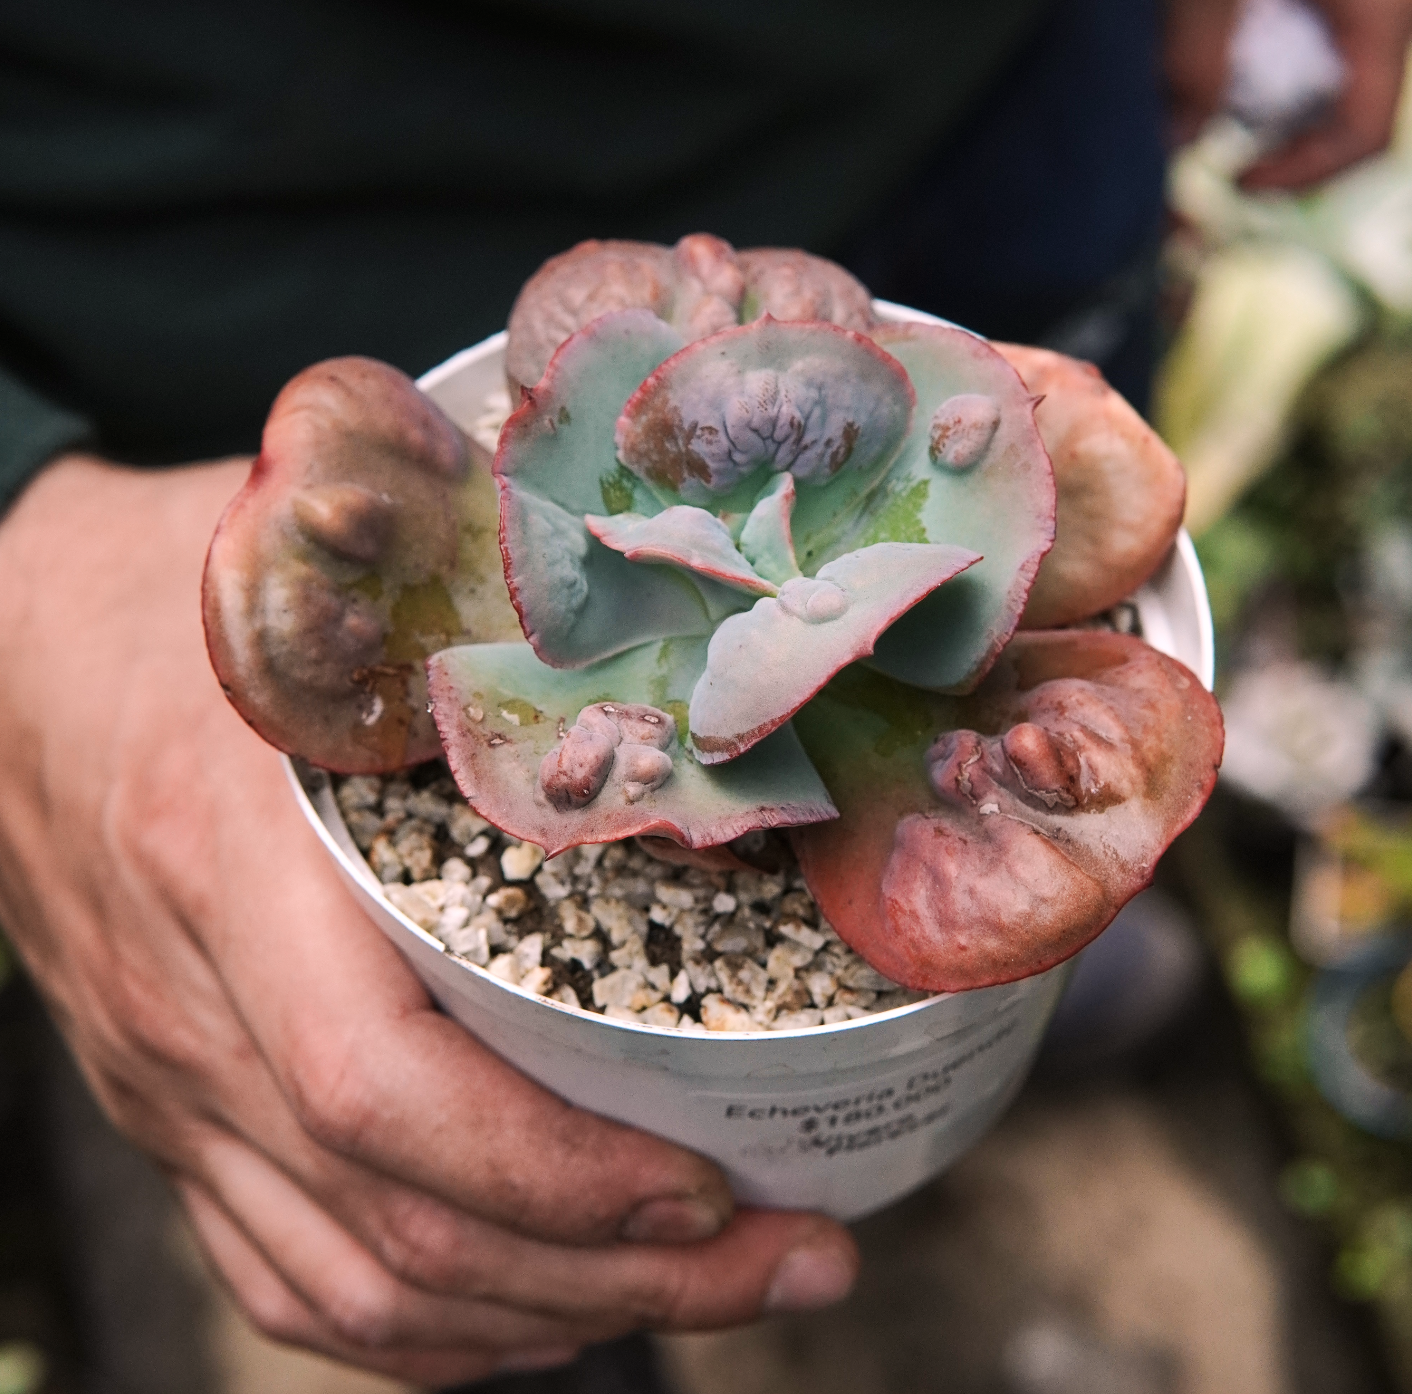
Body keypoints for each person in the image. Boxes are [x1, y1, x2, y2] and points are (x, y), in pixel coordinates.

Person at [0, 0, 1407, 1389]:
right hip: (247, 224)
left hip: (1017, 89)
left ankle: (1029, 999)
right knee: (491, 1232)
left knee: (1055, 852)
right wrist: (28, 556)